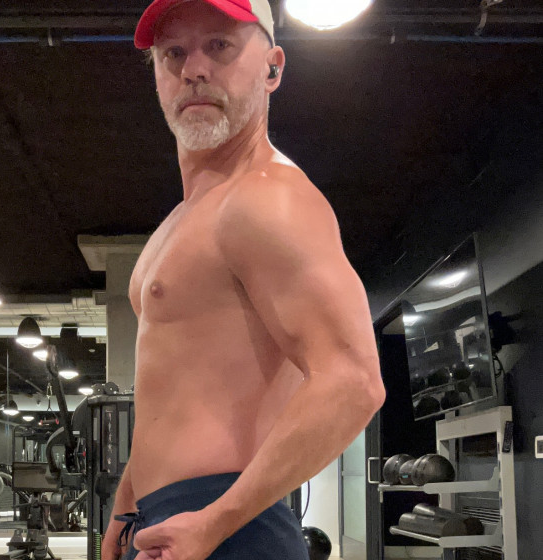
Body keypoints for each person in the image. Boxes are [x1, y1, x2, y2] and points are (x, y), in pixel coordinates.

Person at [102, 1, 386, 559]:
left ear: (273, 67)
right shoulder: (183, 219)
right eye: (173, 53)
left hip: (230, 528)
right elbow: (170, 393)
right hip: (165, 520)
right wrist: (126, 504)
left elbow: (354, 381)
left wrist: (215, 523)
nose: (194, 69)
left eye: (219, 46)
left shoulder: (268, 197)